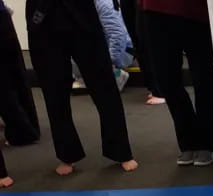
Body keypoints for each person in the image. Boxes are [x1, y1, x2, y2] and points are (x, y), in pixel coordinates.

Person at [25, 0, 137, 175]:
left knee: (105, 89)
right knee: (54, 93)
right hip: (43, 21)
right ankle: (66, 154)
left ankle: (121, 151)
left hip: (83, 18)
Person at [139, 0, 213, 164]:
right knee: (166, 78)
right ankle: (188, 141)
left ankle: (207, 141)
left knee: (202, 75)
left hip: (195, 10)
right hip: (155, 9)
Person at [0, 1, 41, 147]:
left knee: (4, 83)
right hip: (3, 19)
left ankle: (21, 131)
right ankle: (29, 127)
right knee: (16, 76)